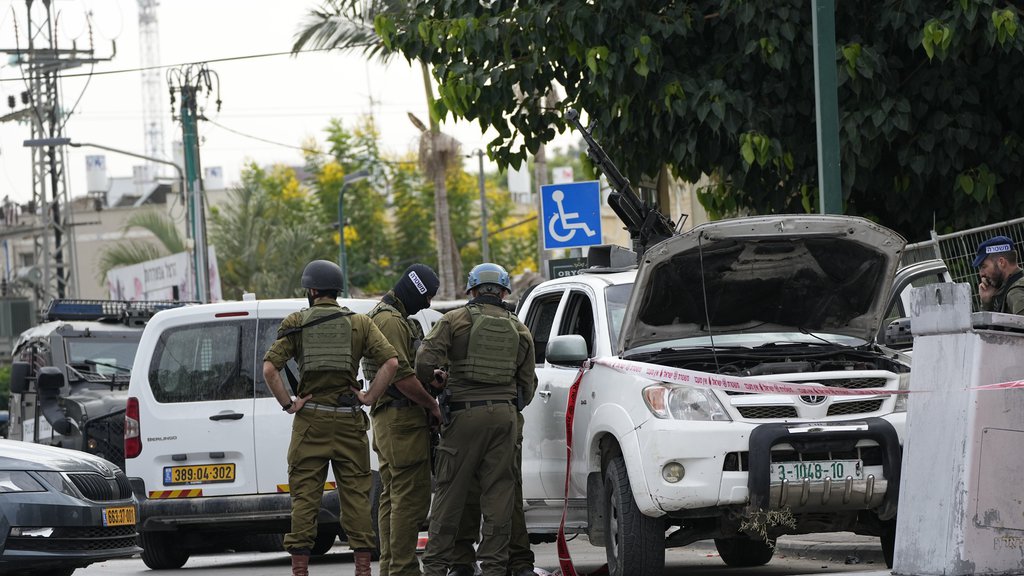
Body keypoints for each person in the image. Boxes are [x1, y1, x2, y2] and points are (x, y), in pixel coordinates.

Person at [263, 259, 399, 576]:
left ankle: (300, 571)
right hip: (350, 421)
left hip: (310, 422)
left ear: (311, 290)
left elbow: (270, 368)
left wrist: (289, 404)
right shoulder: (360, 323)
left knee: (305, 500)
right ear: (336, 291)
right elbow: (391, 363)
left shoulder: (297, 321)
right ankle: (363, 570)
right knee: (356, 500)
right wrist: (368, 397)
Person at [417, 263, 537, 576]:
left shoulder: (453, 320)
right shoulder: (519, 328)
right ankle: (495, 567)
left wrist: (437, 384)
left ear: (472, 290)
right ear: (503, 291)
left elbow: (424, 360)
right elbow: (528, 387)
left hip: (463, 417)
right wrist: (507, 404)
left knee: (450, 492)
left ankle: (435, 566)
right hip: (505, 418)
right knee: (499, 494)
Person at [358, 264, 442, 576]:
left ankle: (392, 567)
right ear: (414, 291)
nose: (429, 304)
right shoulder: (391, 320)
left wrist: (430, 376)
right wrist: (432, 405)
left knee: (392, 498)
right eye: (427, 296)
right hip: (401, 419)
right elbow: (401, 377)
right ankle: (403, 568)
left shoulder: (382, 314)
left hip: (390, 419)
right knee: (410, 498)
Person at [973, 235, 1024, 315]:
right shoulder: (1009, 287)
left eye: (984, 266)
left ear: (1001, 262)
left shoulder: (1015, 293)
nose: (981, 274)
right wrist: (987, 303)